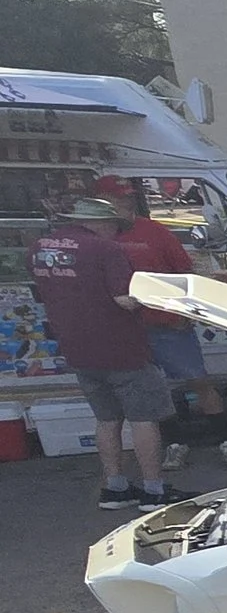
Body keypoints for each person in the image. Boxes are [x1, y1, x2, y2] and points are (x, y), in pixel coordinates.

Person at [29, 195, 174, 509]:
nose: (117, 233)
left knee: (106, 419)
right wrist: (161, 294)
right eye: (115, 226)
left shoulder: (42, 247)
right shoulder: (106, 249)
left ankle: (116, 488)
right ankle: (154, 490)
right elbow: (124, 299)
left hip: (77, 349)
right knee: (143, 419)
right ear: (102, 223)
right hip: (121, 347)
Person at [108, 182, 227, 470]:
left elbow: (185, 271)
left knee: (197, 380)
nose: (125, 205)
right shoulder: (99, 237)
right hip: (127, 328)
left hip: (166, 322)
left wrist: (186, 311)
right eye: (118, 200)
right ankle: (174, 444)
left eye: (127, 199)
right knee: (155, 389)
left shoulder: (154, 231)